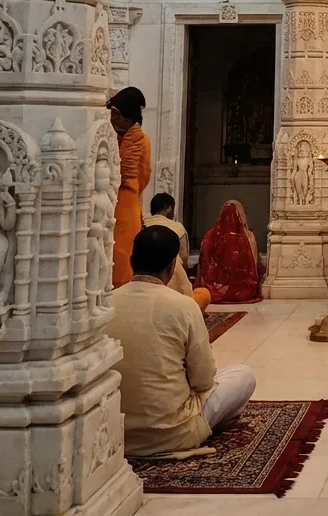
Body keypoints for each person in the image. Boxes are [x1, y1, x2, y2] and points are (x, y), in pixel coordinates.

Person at [107, 225, 256, 457]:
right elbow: (204, 380)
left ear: (132, 260)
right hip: (173, 434)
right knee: (243, 375)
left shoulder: (106, 304)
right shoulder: (183, 306)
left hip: (113, 433)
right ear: (171, 267)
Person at [107, 87, 151, 288]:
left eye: (114, 115)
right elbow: (144, 177)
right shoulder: (109, 139)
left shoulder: (139, 142)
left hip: (122, 209)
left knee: (121, 261)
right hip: (112, 206)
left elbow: (142, 176)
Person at [147, 193, 211, 313]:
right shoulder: (177, 228)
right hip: (172, 289)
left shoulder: (141, 223)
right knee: (203, 294)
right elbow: (184, 261)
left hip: (142, 289)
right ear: (169, 208)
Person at [196, 199, 262, 304]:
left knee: (204, 291)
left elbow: (203, 264)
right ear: (241, 215)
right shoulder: (248, 236)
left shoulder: (210, 235)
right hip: (240, 292)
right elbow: (253, 267)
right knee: (246, 289)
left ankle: (218, 290)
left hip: (212, 289)